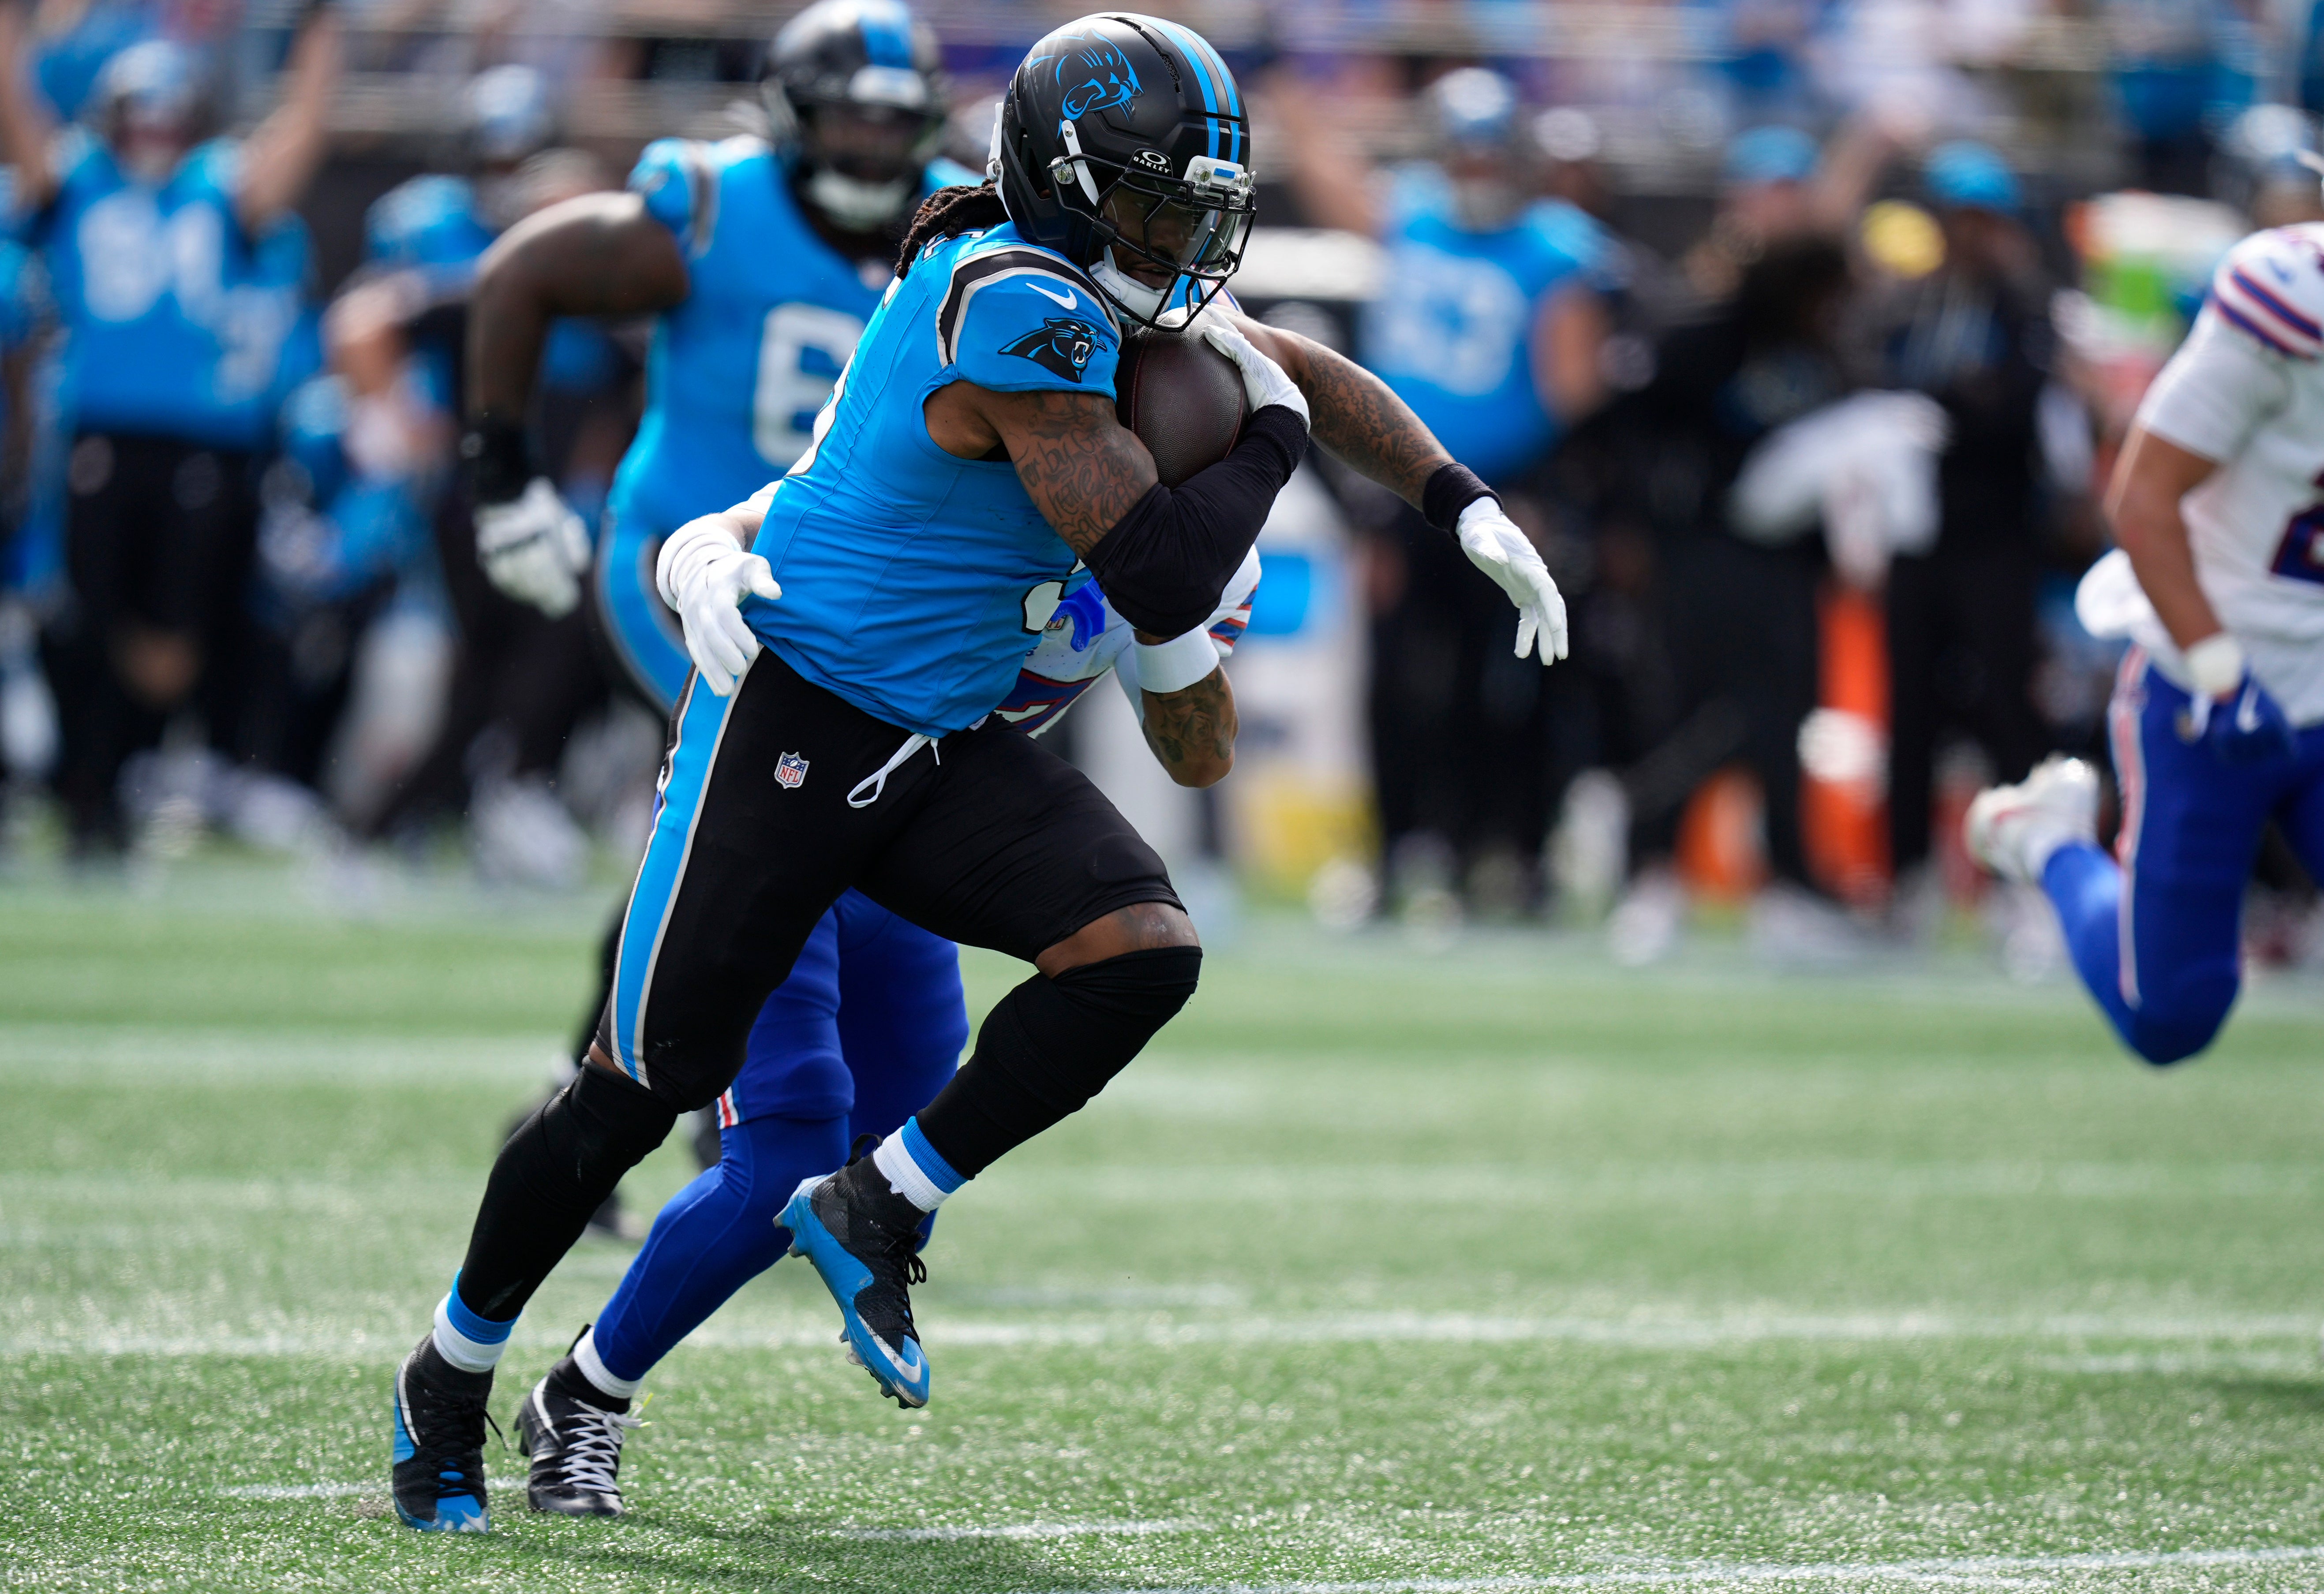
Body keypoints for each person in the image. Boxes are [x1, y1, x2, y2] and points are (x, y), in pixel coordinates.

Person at [388, 12, 1566, 1537]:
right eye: (1158, 203)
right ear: (1070, 187)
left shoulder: (1100, 295)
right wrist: (1267, 448)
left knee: (1137, 949)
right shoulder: (1013, 298)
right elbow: (1155, 550)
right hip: (796, 722)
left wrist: (1458, 501)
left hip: (940, 745)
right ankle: (451, 1369)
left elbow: (1299, 369)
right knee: (641, 1088)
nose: (1187, 240)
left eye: (1203, 204)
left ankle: (885, 1203)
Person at [510, 554, 1260, 1518]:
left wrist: (1167, 598)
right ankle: (580, 1396)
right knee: (782, 1161)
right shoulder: (1016, 431)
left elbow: (1195, 752)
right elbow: (826, 500)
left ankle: (831, 1229)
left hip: (909, 855)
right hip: (780, 824)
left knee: (900, 1174)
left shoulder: (1210, 548)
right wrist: (703, 543)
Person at [461, 0, 977, 1241]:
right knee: (756, 823)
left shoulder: (969, 221)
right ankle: (685, 1111)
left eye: (893, 122)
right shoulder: (714, 207)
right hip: (679, 563)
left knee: (755, 841)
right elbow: (523, 273)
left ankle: (646, 1106)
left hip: (847, 598)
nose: (870, 145)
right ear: (793, 115)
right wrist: (501, 477)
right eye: (847, 117)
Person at [1965, 219, 2324, 1064]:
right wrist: (2217, 668)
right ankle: (2046, 837)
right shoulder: (2290, 299)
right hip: (2214, 681)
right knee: (2171, 1014)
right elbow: (2142, 499)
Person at [0, 9, 338, 852]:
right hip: (99, 434)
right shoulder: (76, 183)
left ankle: (139, 775)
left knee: (176, 634)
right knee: (82, 618)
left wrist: (323, 34)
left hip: (201, 442)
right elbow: (19, 120)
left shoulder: (218, 189)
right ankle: (90, 791)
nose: (151, 130)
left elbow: (301, 137)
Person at [1272, 63, 1607, 913]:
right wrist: (1289, 97)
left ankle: (1507, 855)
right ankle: (1394, 856)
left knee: (1507, 687)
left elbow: (1579, 395)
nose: (1477, 172)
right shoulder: (1413, 216)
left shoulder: (1558, 249)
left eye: (1491, 155)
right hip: (1403, 496)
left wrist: (1555, 497)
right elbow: (1336, 185)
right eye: (1464, 155)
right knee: (1395, 685)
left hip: (1510, 498)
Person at [1878, 142, 2055, 906]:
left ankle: (2022, 877)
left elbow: (2011, 413)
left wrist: (1946, 407)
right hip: (1916, 539)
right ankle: (1909, 877)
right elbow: (1874, 393)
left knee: (2007, 710)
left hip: (1995, 538)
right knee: (1909, 710)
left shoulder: (2021, 308)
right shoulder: (1905, 302)